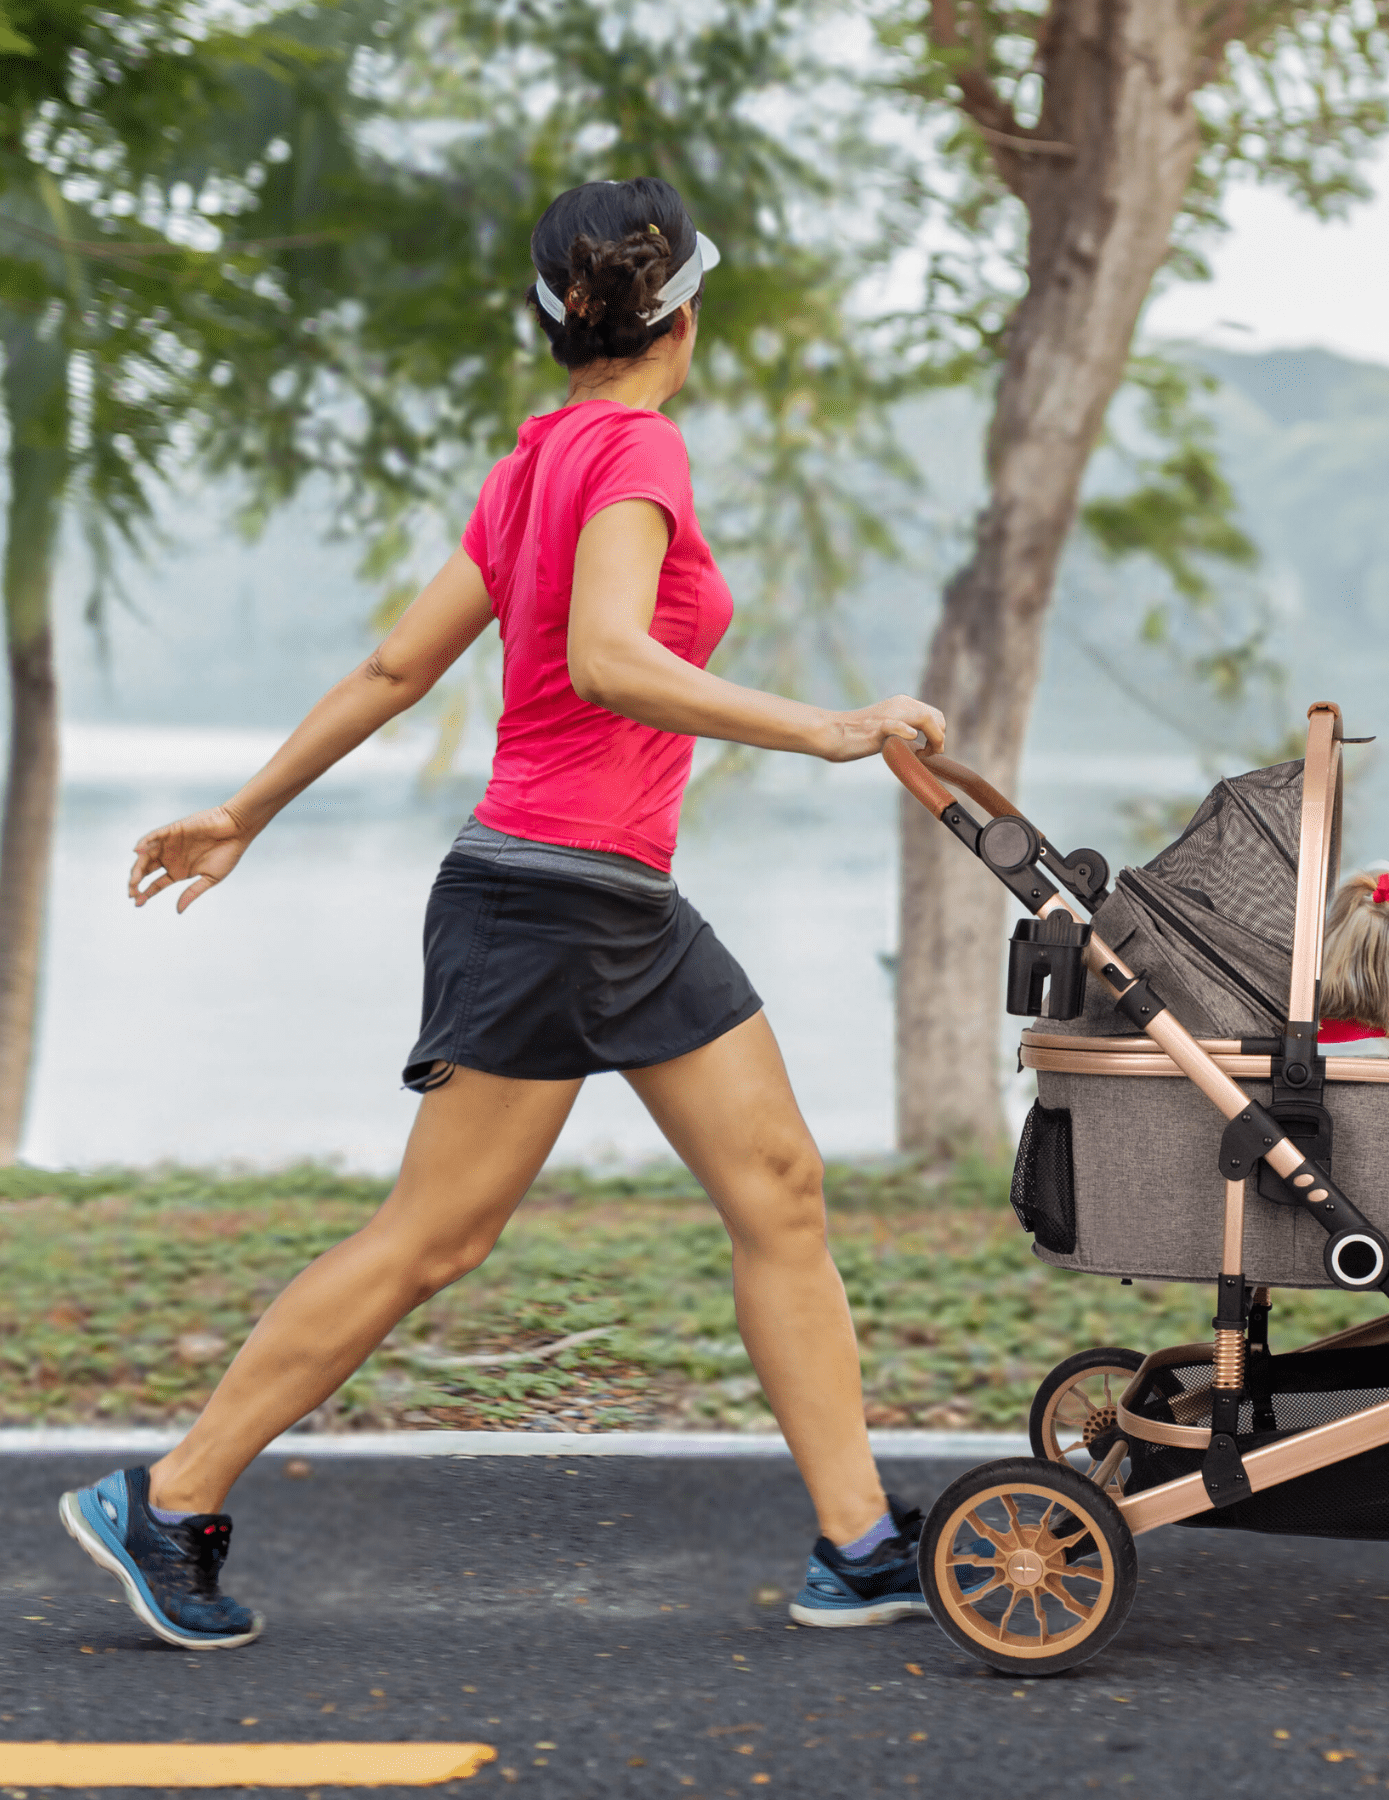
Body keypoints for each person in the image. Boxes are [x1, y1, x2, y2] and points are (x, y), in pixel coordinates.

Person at [59, 176, 946, 1650]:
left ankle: (855, 1543)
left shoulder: (540, 462)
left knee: (779, 1187)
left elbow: (397, 670)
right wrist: (831, 730)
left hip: (617, 898)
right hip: (549, 896)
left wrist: (245, 811)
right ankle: (169, 1497)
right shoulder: (631, 452)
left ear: (557, 318)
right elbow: (605, 659)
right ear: (685, 312)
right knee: (434, 1239)